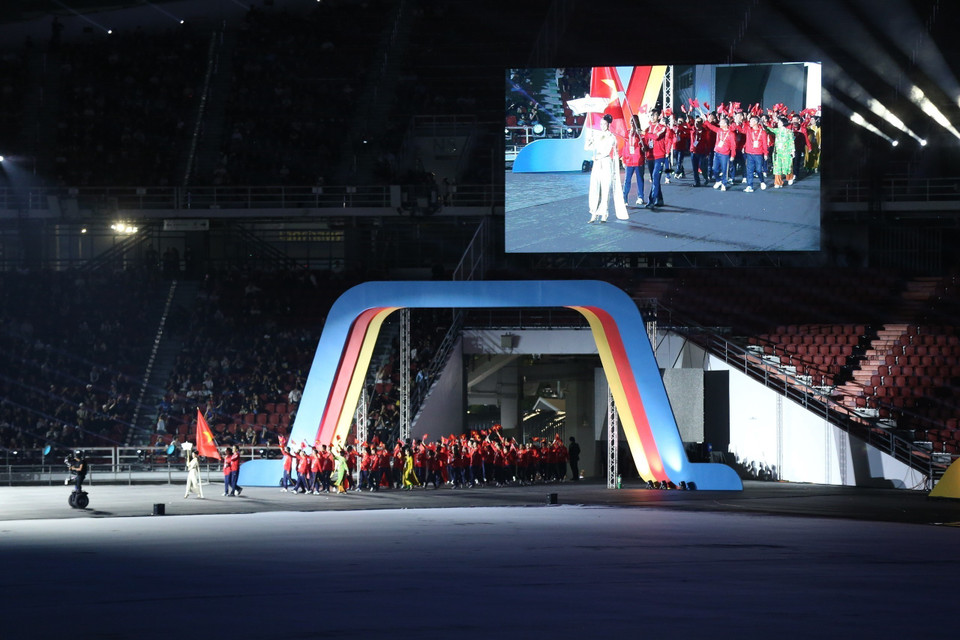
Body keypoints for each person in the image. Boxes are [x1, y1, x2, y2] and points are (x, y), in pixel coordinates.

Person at [584, 113, 628, 222]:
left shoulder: (611, 137)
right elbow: (587, 147)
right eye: (601, 124)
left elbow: (606, 150)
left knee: (605, 188)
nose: (602, 126)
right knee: (595, 187)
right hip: (597, 163)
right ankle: (594, 213)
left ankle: (604, 213)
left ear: (608, 124)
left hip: (606, 162)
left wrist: (597, 155)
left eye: (604, 124)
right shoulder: (597, 135)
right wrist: (589, 140)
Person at [622, 115, 645, 206]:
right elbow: (624, 147)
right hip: (629, 160)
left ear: (637, 122)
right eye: (631, 121)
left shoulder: (640, 134)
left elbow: (645, 146)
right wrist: (623, 159)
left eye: (634, 121)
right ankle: (624, 198)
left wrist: (641, 140)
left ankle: (640, 197)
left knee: (640, 179)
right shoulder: (627, 133)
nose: (632, 123)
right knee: (627, 180)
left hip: (638, 160)